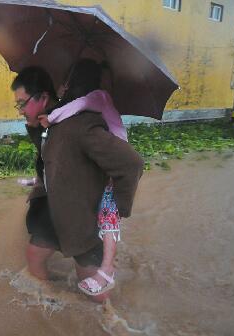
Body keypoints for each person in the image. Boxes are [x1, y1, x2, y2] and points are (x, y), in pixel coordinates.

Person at [11, 63, 144, 302]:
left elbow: (131, 163)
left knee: (97, 293)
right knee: (35, 256)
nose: (20, 110)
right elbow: (50, 158)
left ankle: (110, 321)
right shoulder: (47, 124)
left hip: (83, 220)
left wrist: (118, 208)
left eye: (22, 103)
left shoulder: (82, 125)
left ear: (42, 97)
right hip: (53, 211)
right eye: (17, 105)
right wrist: (34, 129)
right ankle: (51, 307)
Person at [38, 59, 128, 297]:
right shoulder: (99, 101)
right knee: (107, 218)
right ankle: (107, 268)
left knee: (109, 218)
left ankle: (107, 269)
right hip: (109, 162)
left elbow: (74, 106)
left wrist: (52, 116)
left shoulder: (96, 97)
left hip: (113, 164)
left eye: (67, 79)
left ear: (75, 80)